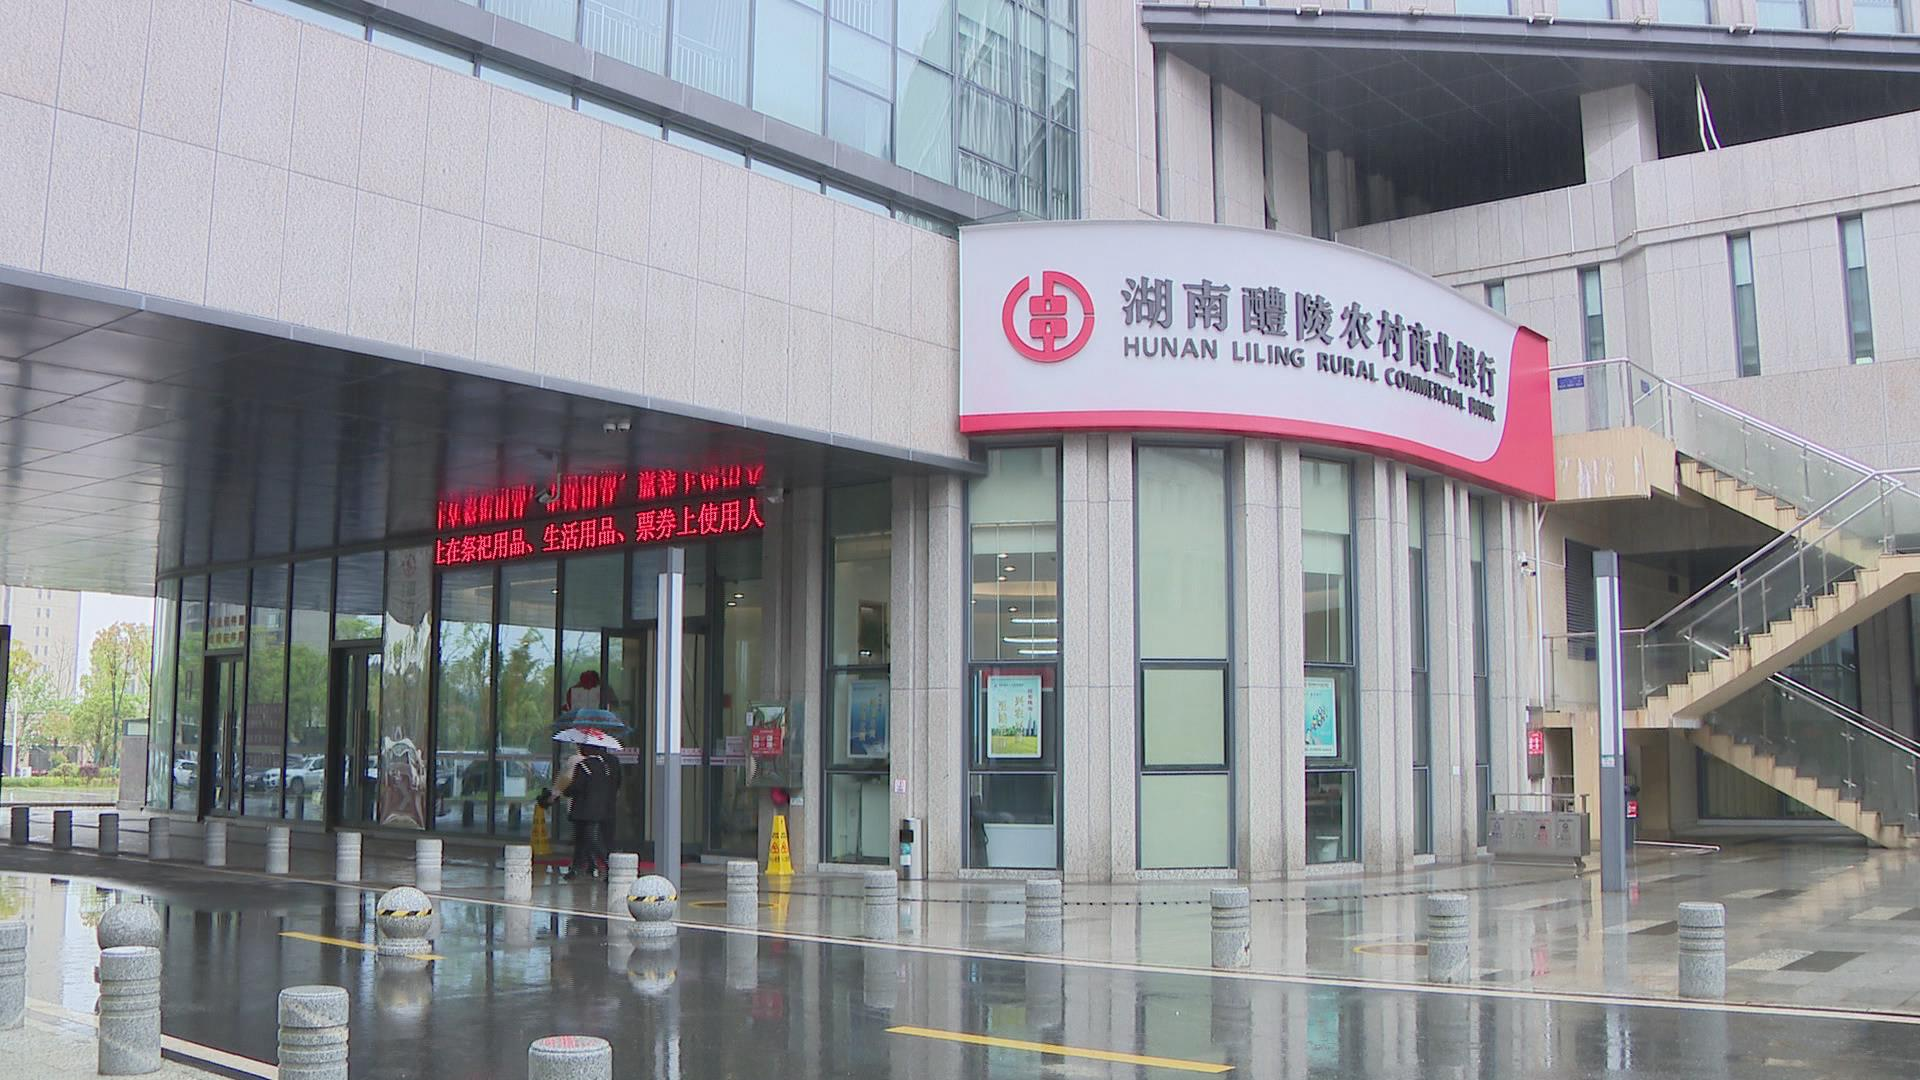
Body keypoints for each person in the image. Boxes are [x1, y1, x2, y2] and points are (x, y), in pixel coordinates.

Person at [554, 744, 621, 880]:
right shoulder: (606, 766)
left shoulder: (583, 766)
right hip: (601, 808)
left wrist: (565, 791)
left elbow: (576, 786)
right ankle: (583, 867)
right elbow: (615, 783)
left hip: (583, 809)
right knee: (589, 838)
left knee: (588, 839)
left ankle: (608, 864)